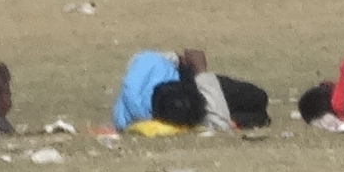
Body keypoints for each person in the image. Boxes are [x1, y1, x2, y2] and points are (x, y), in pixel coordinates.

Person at [114, 46, 270, 135]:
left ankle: (242, 118)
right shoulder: (131, 112)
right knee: (259, 109)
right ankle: (241, 119)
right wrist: (201, 70)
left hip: (188, 83)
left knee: (258, 101)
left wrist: (178, 58)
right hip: (197, 84)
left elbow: (142, 61)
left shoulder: (131, 115)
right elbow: (218, 122)